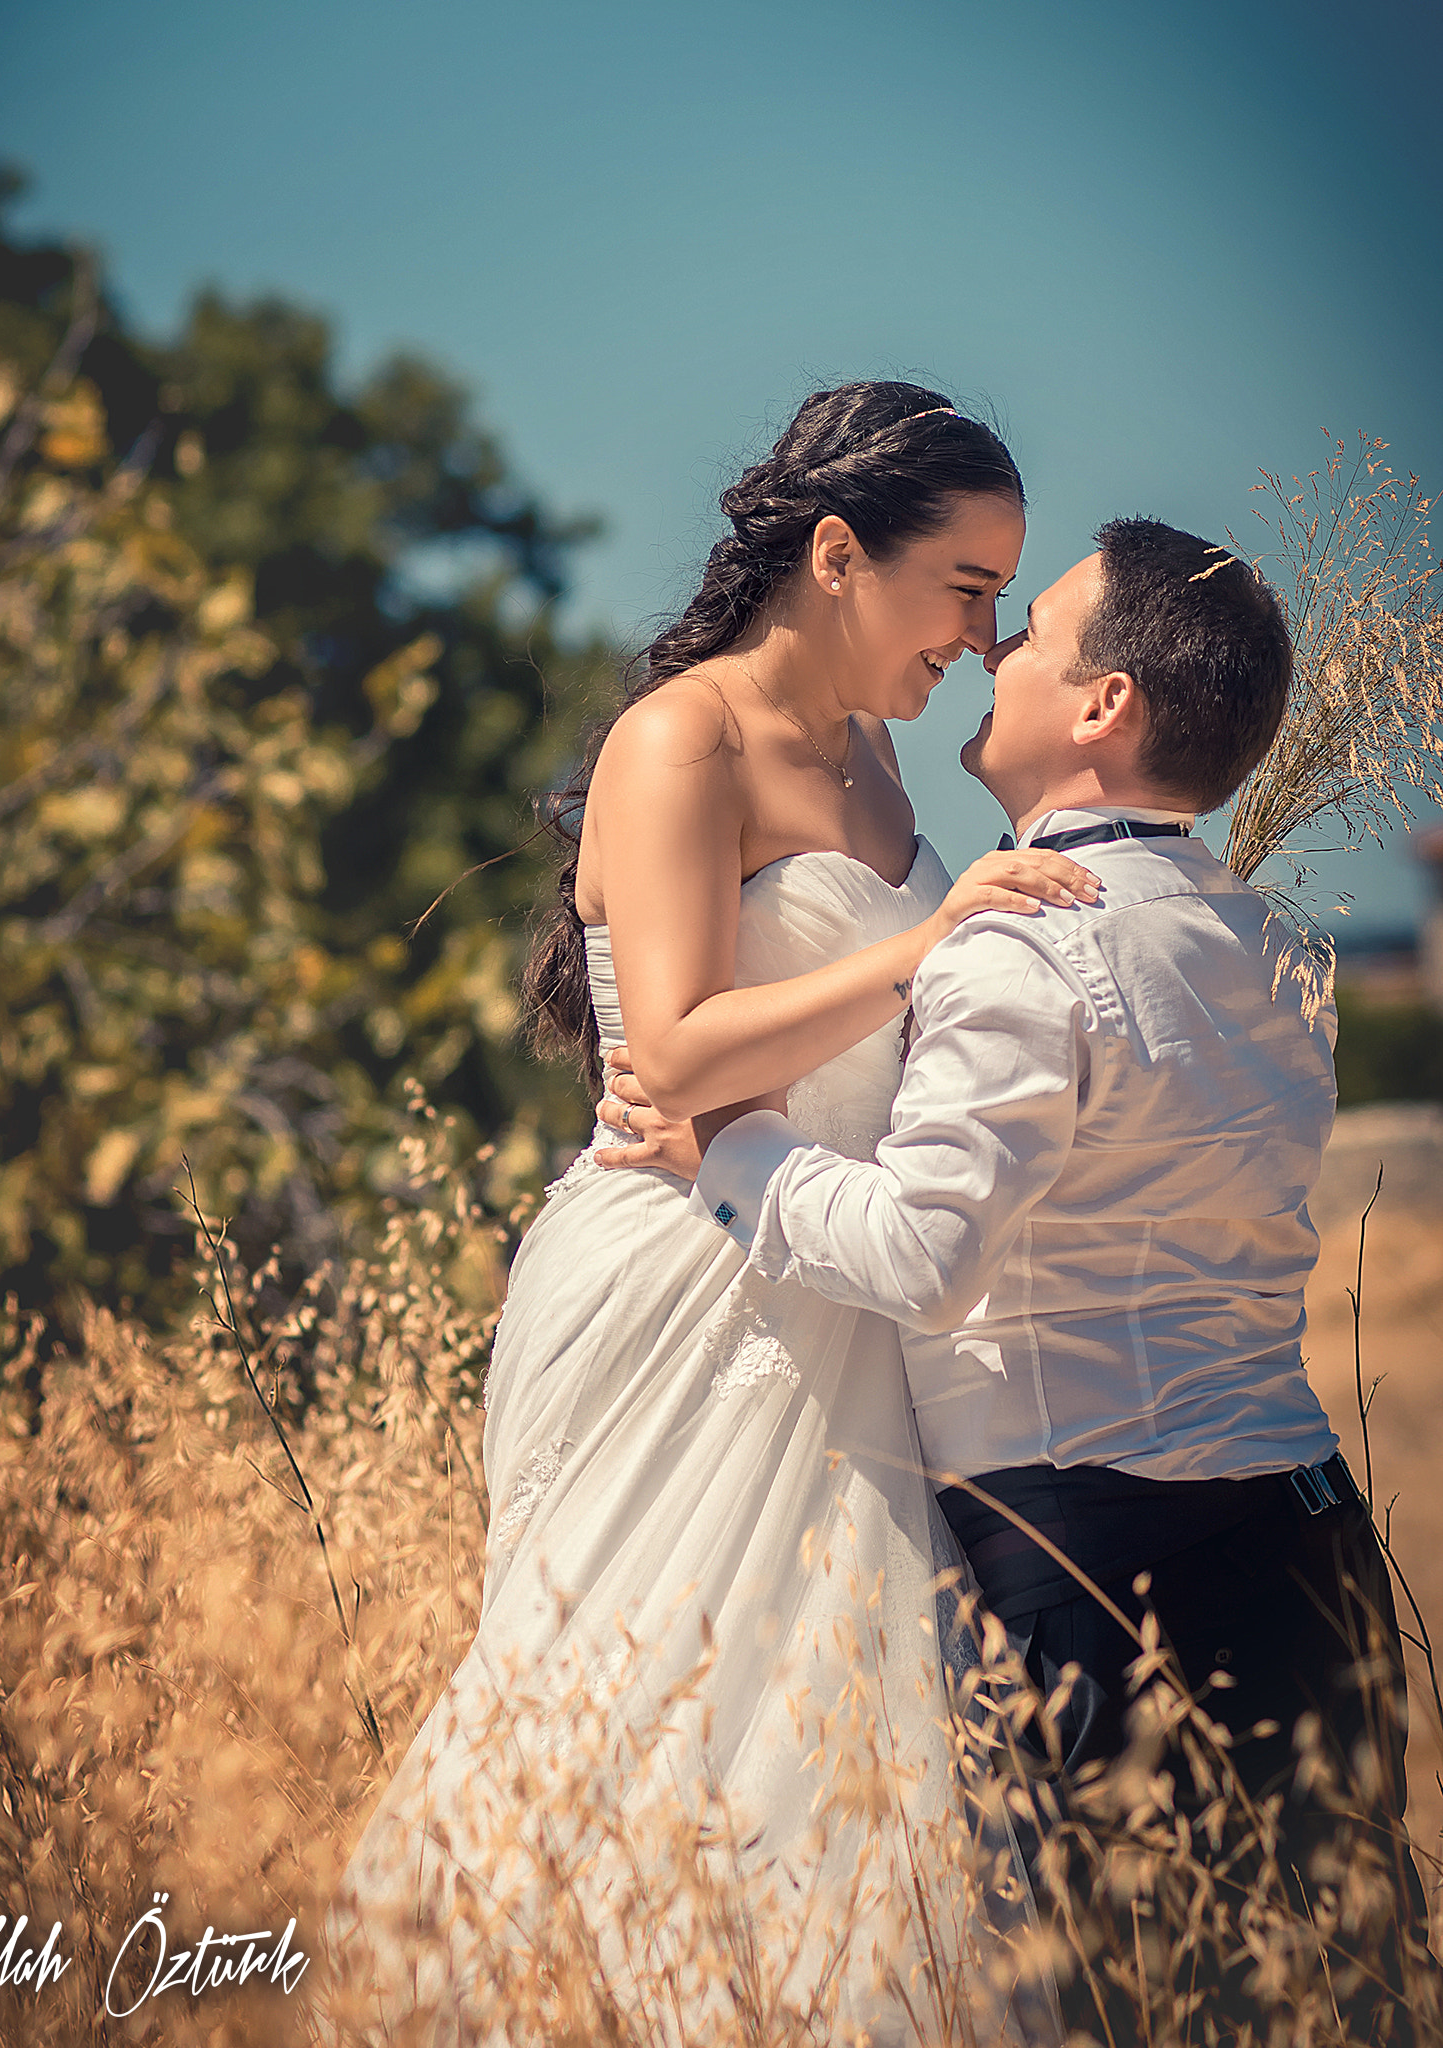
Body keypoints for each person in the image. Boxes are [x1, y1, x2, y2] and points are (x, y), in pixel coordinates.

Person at [331, 381, 1097, 2041]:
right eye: (963, 588)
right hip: (679, 1277)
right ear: (838, 554)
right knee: (632, 1688)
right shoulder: (677, 739)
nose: (980, 640)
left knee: (845, 1746)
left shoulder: (884, 757)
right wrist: (938, 935)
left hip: (839, 1279)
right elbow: (666, 1054)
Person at [606, 517, 1439, 2041]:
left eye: (1033, 628)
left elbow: (925, 1255)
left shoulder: (1014, 940)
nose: (994, 648)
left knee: (1113, 2009)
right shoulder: (1273, 943)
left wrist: (716, 1151)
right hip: (1302, 1539)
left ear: (1104, 707)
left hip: (1094, 1566)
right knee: (1333, 2001)